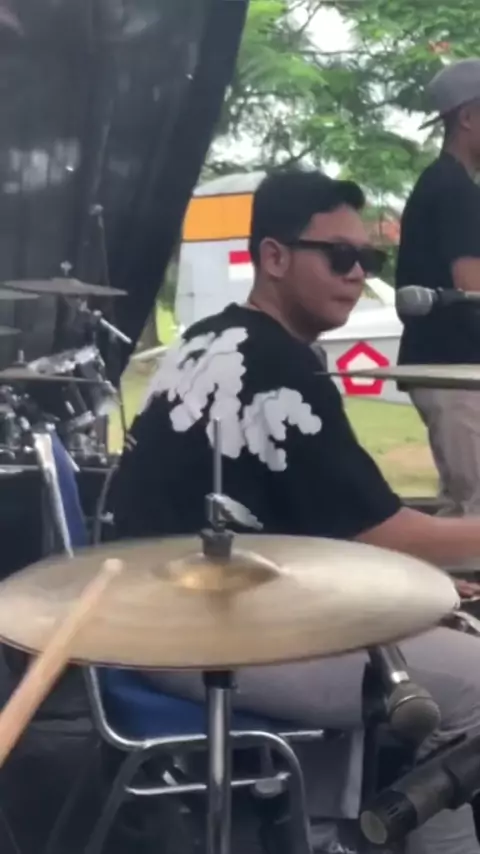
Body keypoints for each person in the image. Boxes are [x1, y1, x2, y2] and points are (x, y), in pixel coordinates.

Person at [113, 168, 480, 854]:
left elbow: (318, 525)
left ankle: (322, 829)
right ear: (274, 257)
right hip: (202, 639)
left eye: (368, 260)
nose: (357, 274)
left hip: (149, 615)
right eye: (339, 256)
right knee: (476, 683)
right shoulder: (279, 367)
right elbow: (389, 533)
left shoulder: (208, 337)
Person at [396, 58, 480, 517]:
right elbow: (472, 287)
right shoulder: (455, 191)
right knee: (475, 508)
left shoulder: (444, 183)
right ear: (466, 117)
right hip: (453, 370)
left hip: (445, 367)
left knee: (462, 504)